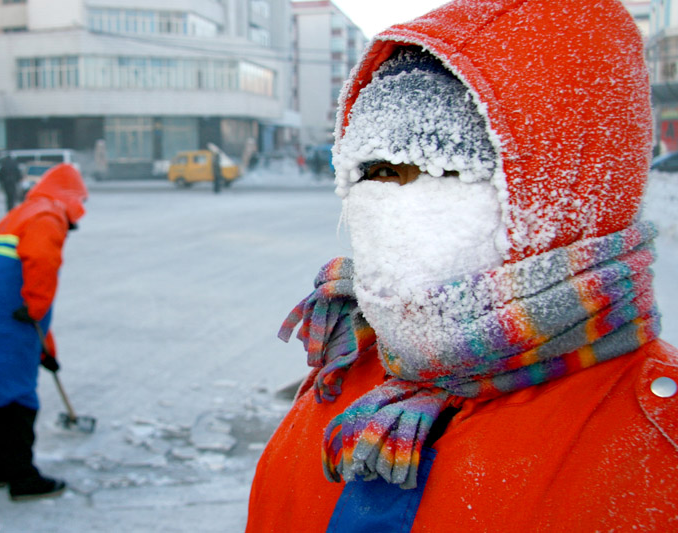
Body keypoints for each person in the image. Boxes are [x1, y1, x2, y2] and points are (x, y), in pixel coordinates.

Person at [247, 0, 678, 530]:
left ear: (565, 194)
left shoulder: (655, 448)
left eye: (447, 169)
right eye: (379, 171)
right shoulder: (344, 377)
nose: (398, 207)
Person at [0, 163, 88, 501]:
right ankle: (22, 477)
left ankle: (3, 468)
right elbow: (42, 263)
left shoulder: (24, 212)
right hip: (5, 315)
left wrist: (48, 351)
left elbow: (35, 309)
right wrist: (35, 309)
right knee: (18, 398)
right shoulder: (48, 215)